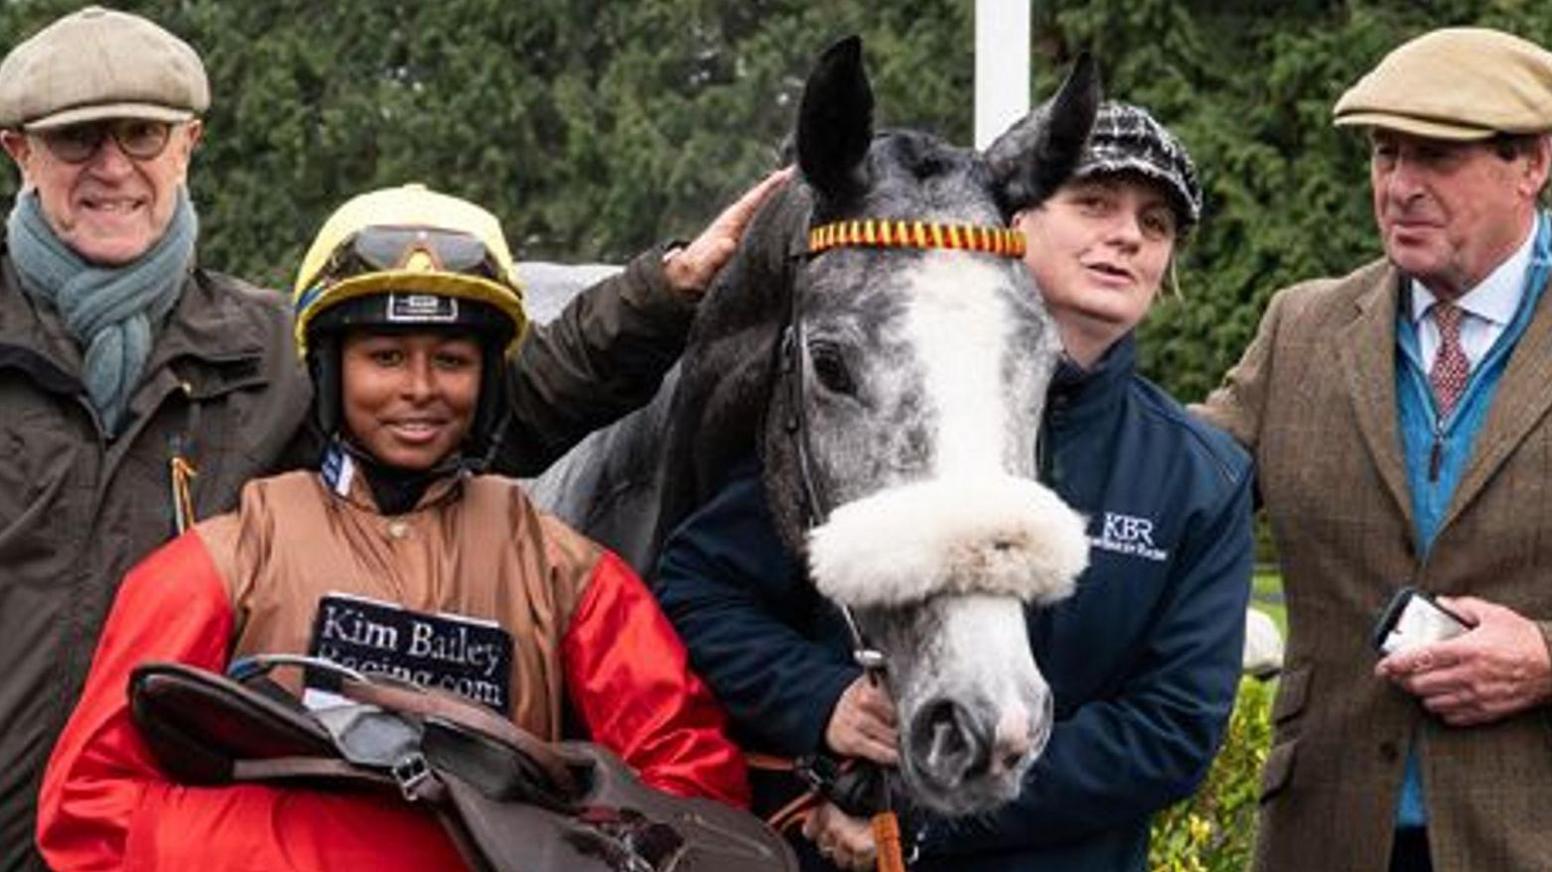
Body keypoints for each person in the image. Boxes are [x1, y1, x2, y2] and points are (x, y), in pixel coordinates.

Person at [0, 6, 783, 866]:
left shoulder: (266, 352)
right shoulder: (220, 559)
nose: (113, 167)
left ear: (186, 143)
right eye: (78, 139)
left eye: (142, 135)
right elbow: (95, 804)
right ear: (19, 151)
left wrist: (665, 291)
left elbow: (470, 416)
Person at [653, 102, 1254, 871]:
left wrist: (912, 816)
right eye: (1094, 203)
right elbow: (700, 588)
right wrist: (820, 700)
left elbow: (1171, 730)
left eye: (1158, 222)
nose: (1129, 235)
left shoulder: (1203, 473)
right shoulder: (874, 401)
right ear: (1014, 223)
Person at [1196, 27, 1552, 872]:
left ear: (1532, 163)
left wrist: (1545, 658)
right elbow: (1174, 484)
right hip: (1325, 833)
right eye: (1385, 155)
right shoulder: (1302, 326)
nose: (1399, 187)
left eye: (1435, 157)